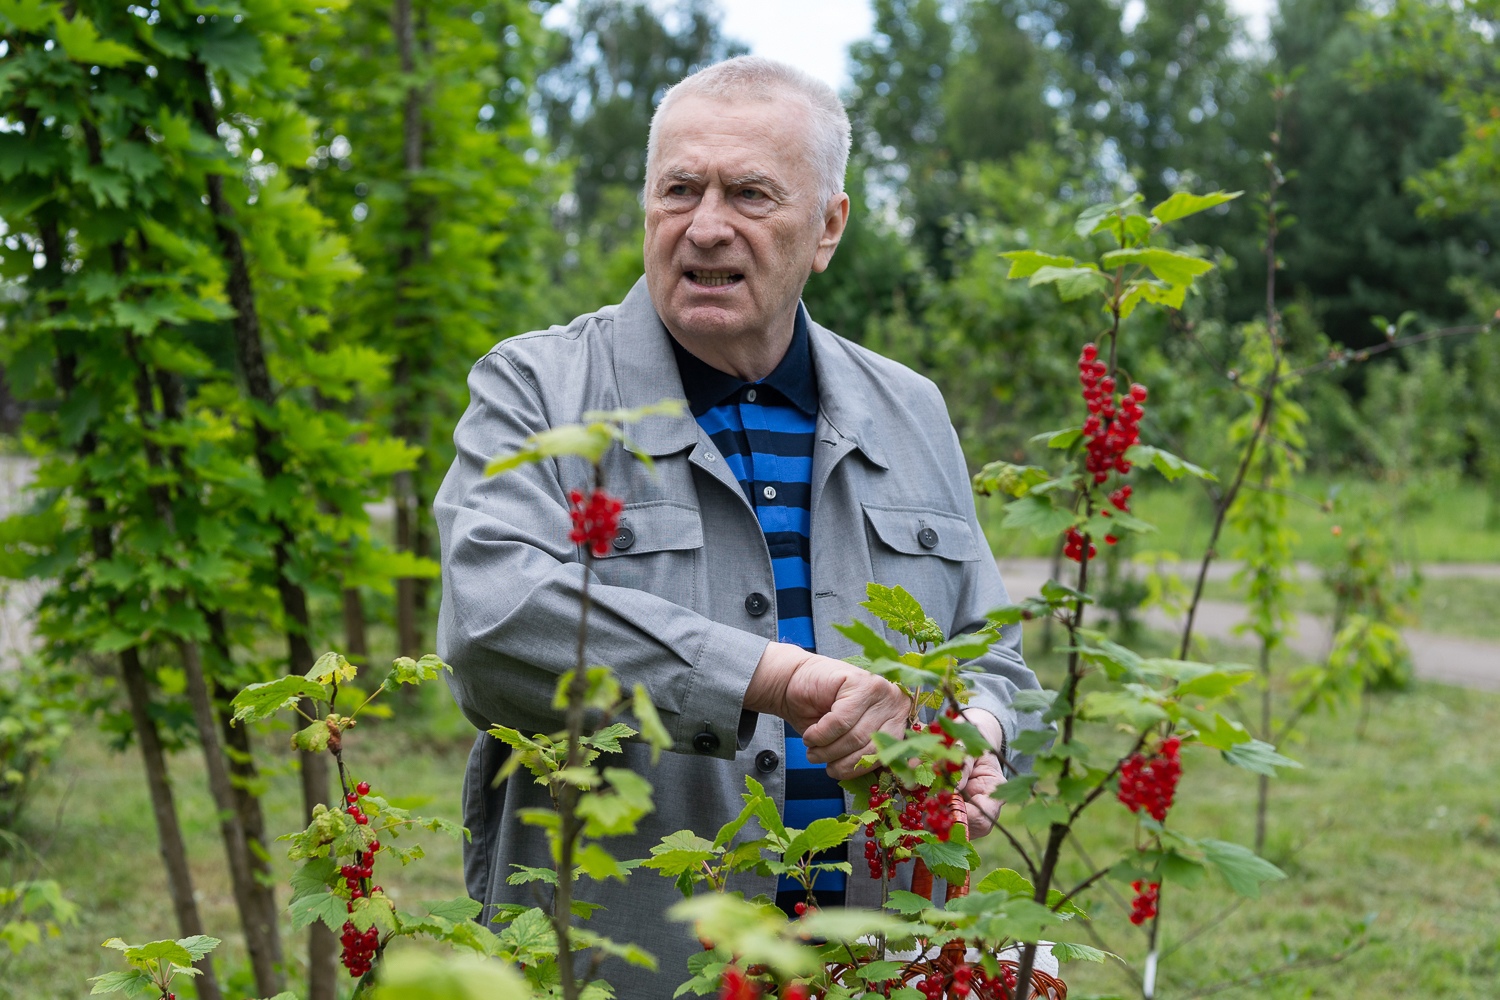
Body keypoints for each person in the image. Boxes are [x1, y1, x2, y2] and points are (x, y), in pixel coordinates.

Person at [434, 55, 1042, 996]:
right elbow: (491, 622)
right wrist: (781, 681)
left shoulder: (910, 408)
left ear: (829, 226)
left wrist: (976, 731)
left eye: (751, 193)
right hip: (630, 964)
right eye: (680, 188)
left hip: (881, 961)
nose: (705, 226)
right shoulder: (538, 390)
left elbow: (992, 652)